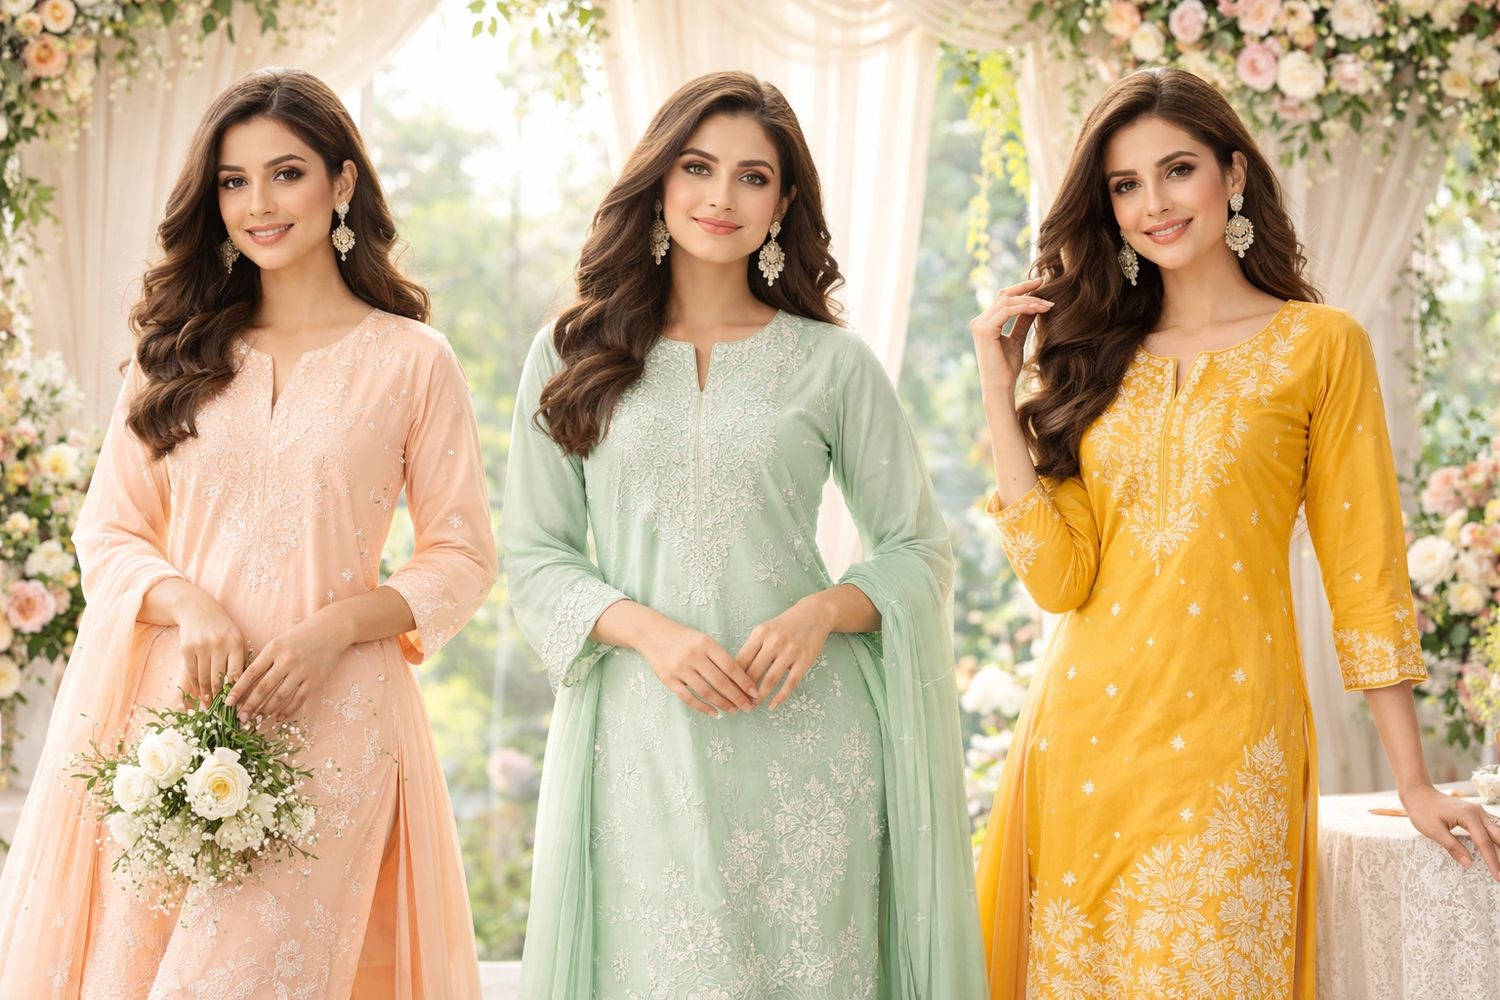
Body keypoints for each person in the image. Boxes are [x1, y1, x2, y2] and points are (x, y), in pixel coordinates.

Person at [971, 66, 1499, 999]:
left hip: (1235, 746)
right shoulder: (1094, 361)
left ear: (1235, 173)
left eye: (1177, 170)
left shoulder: (1320, 345)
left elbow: (1364, 568)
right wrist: (998, 390)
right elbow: (1059, 582)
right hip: (1085, 744)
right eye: (1126, 185)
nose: (1154, 204)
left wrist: (1415, 779)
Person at [0, 68, 496, 997]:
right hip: (171, 720)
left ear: (342, 183)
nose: (258, 204)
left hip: (335, 723)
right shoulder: (175, 354)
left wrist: (335, 627)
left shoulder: (412, 361)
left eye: (286, 173)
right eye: (234, 181)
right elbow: (109, 531)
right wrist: (187, 603)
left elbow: (462, 555)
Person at [506, 71, 986, 998]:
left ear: (784, 203)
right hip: (642, 743)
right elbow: (535, 555)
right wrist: (651, 632)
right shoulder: (570, 354)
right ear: (659, 179)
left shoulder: (832, 363)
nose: (721, 196)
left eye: (752, 176)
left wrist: (823, 612)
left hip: (808, 747)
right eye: (698, 167)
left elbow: (919, 550)